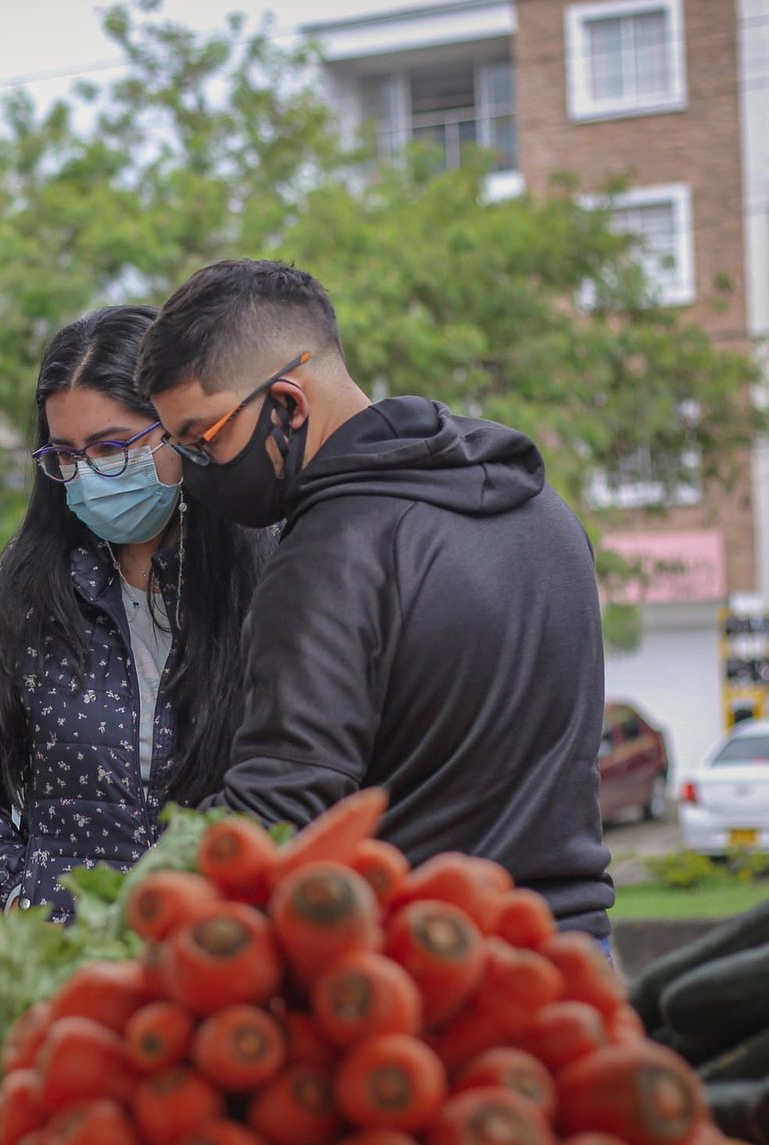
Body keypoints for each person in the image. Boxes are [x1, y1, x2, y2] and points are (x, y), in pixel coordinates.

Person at [140, 258, 613, 937]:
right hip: (574, 954)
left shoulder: (329, 554)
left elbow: (278, 805)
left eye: (202, 440)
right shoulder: (543, 509)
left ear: (287, 406)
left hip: (426, 971)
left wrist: (132, 901)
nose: (193, 472)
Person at [0, 306, 274, 921]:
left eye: (112, 447)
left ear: (181, 430)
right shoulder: (30, 583)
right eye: (65, 455)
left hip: (222, 949)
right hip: (56, 954)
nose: (88, 475)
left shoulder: (273, 569)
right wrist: (8, 895)